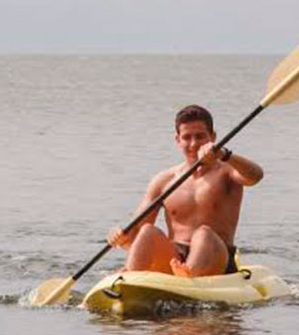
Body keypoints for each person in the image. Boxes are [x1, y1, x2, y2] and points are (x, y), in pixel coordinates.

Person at [107, 105, 264, 277]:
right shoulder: (164, 181)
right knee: (147, 232)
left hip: (216, 255)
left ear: (213, 137)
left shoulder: (227, 171)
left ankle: (188, 276)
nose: (194, 144)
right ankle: (128, 278)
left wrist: (225, 154)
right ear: (178, 140)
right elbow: (136, 232)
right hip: (175, 256)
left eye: (200, 137)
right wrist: (121, 237)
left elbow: (255, 176)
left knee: (203, 233)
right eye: (187, 137)